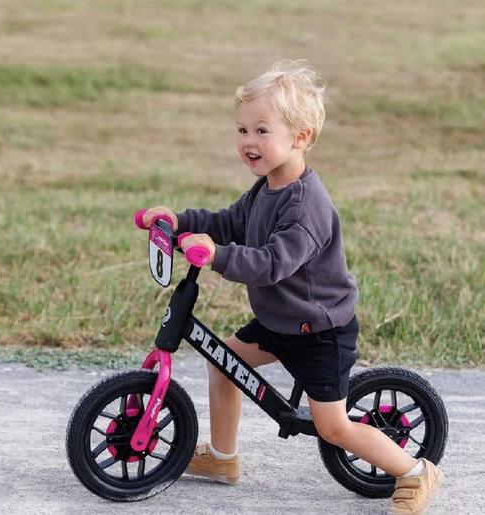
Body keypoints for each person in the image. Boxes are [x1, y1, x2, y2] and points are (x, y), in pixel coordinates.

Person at [142, 60, 443, 514]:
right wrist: (181, 221)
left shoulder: (305, 206)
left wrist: (219, 255)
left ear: (300, 137)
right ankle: (223, 459)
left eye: (262, 130)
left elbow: (273, 264)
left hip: (320, 330)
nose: (248, 142)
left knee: (333, 428)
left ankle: (417, 472)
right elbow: (228, 222)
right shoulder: (267, 188)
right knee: (222, 362)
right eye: (242, 130)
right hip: (280, 320)